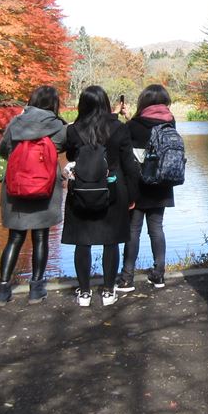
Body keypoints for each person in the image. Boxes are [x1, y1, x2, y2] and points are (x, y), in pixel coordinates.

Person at [61, 85, 139, 307]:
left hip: (82, 190)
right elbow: (129, 165)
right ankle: (108, 291)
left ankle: (84, 294)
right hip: (113, 190)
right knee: (110, 241)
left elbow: (71, 156)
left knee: (82, 242)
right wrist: (132, 195)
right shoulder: (119, 128)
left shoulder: (73, 130)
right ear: (105, 103)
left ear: (82, 105)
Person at [0, 85, 67, 305]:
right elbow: (64, 147)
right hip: (45, 189)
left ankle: (2, 291)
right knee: (41, 237)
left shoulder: (16, 122)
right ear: (54, 103)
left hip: (16, 188)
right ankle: (36, 290)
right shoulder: (57, 126)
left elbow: (2, 149)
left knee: (15, 238)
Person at [115, 84, 178, 293]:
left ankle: (127, 278)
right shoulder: (170, 122)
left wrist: (128, 118)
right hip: (162, 183)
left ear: (144, 101)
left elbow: (128, 149)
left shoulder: (133, 125)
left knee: (133, 230)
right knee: (156, 228)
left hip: (138, 185)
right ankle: (159, 274)